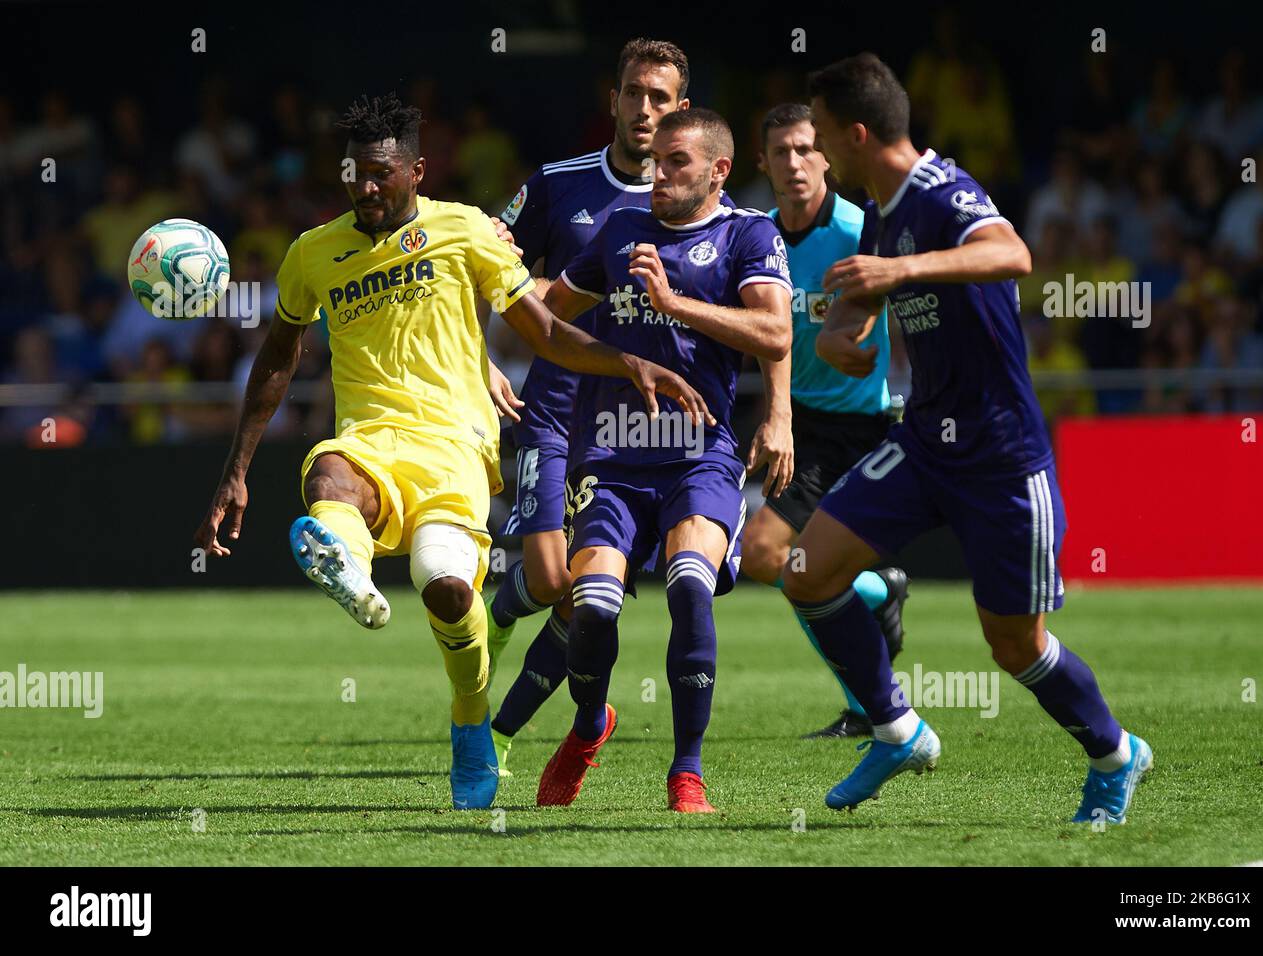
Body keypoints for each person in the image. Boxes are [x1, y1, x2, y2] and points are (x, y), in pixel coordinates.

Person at [193, 93, 709, 812]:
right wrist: (237, 469)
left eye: (380, 174)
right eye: (353, 174)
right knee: (330, 472)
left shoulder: (465, 230)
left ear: (416, 171)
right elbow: (279, 356)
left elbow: (544, 331)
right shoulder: (313, 252)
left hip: (457, 450)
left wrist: (626, 363)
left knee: (445, 585)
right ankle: (348, 567)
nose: (365, 189)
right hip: (371, 441)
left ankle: (470, 718)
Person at [783, 54, 1151, 824]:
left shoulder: (943, 190)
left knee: (1013, 647)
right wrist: (842, 337)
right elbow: (871, 303)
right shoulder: (883, 211)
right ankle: (896, 727)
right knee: (807, 572)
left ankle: (1116, 755)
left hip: (999, 456)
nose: (812, 152)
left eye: (818, 137)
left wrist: (898, 272)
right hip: (924, 442)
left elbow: (1011, 255)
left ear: (855, 135)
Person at [535, 108, 792, 812]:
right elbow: (550, 321)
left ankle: (687, 771)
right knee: (591, 606)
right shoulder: (619, 232)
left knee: (687, 584)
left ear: (717, 171)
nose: (659, 172)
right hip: (612, 453)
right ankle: (589, 727)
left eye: (677, 161)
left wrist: (674, 304)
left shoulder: (748, 233)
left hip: (698, 454)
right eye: (657, 160)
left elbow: (774, 330)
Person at [741, 102, 909, 739]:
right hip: (795, 423)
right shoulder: (757, 237)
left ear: (828, 157)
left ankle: (872, 615)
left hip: (857, 427)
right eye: (780, 152)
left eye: (805, 149)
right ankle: (875, 599)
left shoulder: (860, 232)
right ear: (762, 162)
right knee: (790, 568)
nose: (794, 163)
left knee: (764, 554)